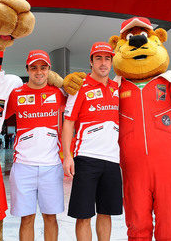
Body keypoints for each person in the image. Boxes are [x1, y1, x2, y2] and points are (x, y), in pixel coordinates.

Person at [62, 42, 121, 241]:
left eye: (107, 58)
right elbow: (68, 123)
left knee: (106, 213)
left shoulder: (116, 87)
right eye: (98, 58)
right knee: (84, 215)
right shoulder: (79, 87)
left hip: (112, 160)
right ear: (91, 61)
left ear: (112, 62)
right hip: (86, 159)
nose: (103, 63)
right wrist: (68, 156)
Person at [5, 50, 66, 241]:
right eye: (34, 68)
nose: (39, 72)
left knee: (50, 217)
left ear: (49, 70)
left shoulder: (59, 93)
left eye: (43, 67)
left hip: (51, 166)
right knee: (27, 218)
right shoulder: (15, 94)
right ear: (27, 70)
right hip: (23, 167)